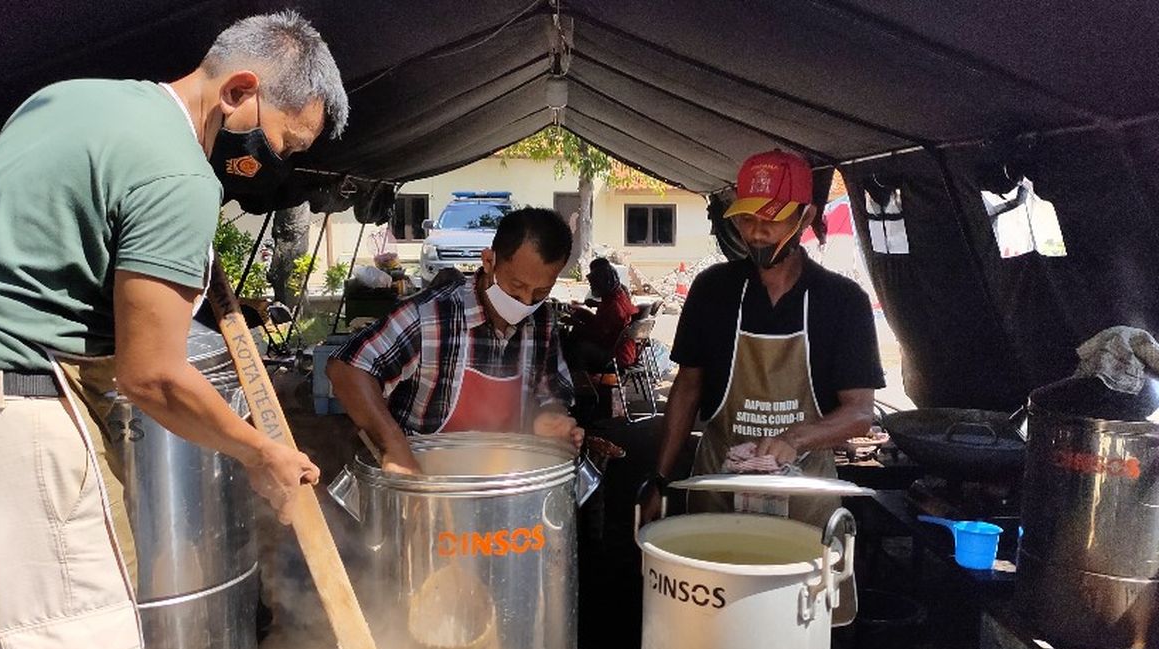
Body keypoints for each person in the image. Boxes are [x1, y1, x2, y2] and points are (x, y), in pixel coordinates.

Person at [0, 11, 347, 649]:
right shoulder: (177, 172)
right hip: (23, 431)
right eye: (282, 146)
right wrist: (261, 451)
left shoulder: (67, 100)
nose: (273, 168)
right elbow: (155, 375)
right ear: (240, 90)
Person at [640, 150, 884, 528]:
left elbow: (860, 413)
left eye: (771, 220)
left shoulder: (842, 300)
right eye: (747, 219)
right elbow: (687, 388)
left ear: (806, 217)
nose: (756, 232)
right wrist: (660, 478)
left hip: (805, 501)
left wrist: (795, 439)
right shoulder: (712, 290)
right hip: (718, 489)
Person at [327, 208, 583, 474]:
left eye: (541, 292)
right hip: (422, 484)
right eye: (517, 286)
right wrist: (394, 447)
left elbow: (551, 392)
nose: (526, 302)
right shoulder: (430, 315)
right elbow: (347, 369)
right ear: (489, 261)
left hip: (501, 484)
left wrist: (548, 418)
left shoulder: (541, 321)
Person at [564, 257, 639, 372]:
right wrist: (582, 312)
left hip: (615, 355)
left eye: (594, 284)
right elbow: (600, 324)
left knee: (575, 345)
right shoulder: (618, 296)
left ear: (603, 283)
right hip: (625, 352)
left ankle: (578, 378)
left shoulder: (614, 306)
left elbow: (599, 337)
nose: (591, 287)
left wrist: (576, 324)